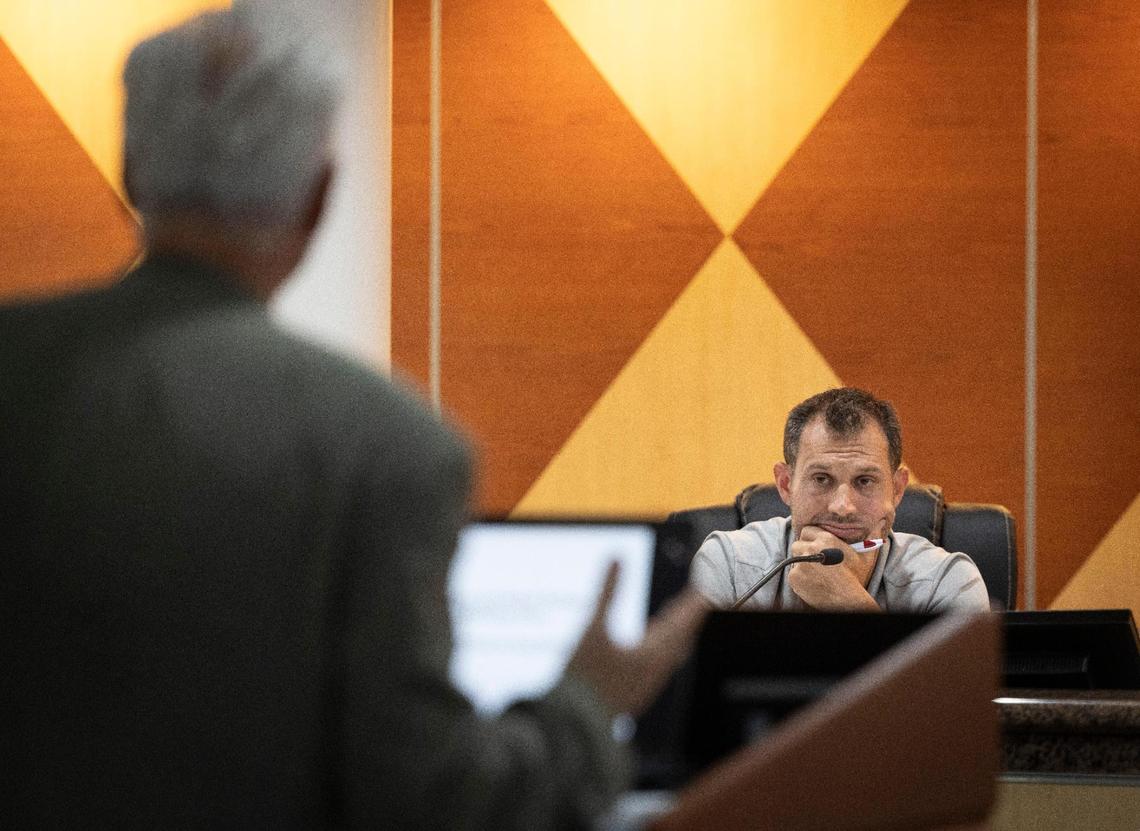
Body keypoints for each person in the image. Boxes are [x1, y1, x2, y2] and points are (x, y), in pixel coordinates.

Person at [0, 5, 706, 829]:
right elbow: (428, 799)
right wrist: (586, 702)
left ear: (129, 165)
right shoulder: (390, 446)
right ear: (319, 196)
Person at [690, 387, 990, 613]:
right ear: (786, 484)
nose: (842, 506)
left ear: (897, 490)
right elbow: (690, 692)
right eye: (821, 479)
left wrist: (848, 603)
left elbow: (947, 698)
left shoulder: (947, 582)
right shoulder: (728, 565)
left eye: (865, 481)